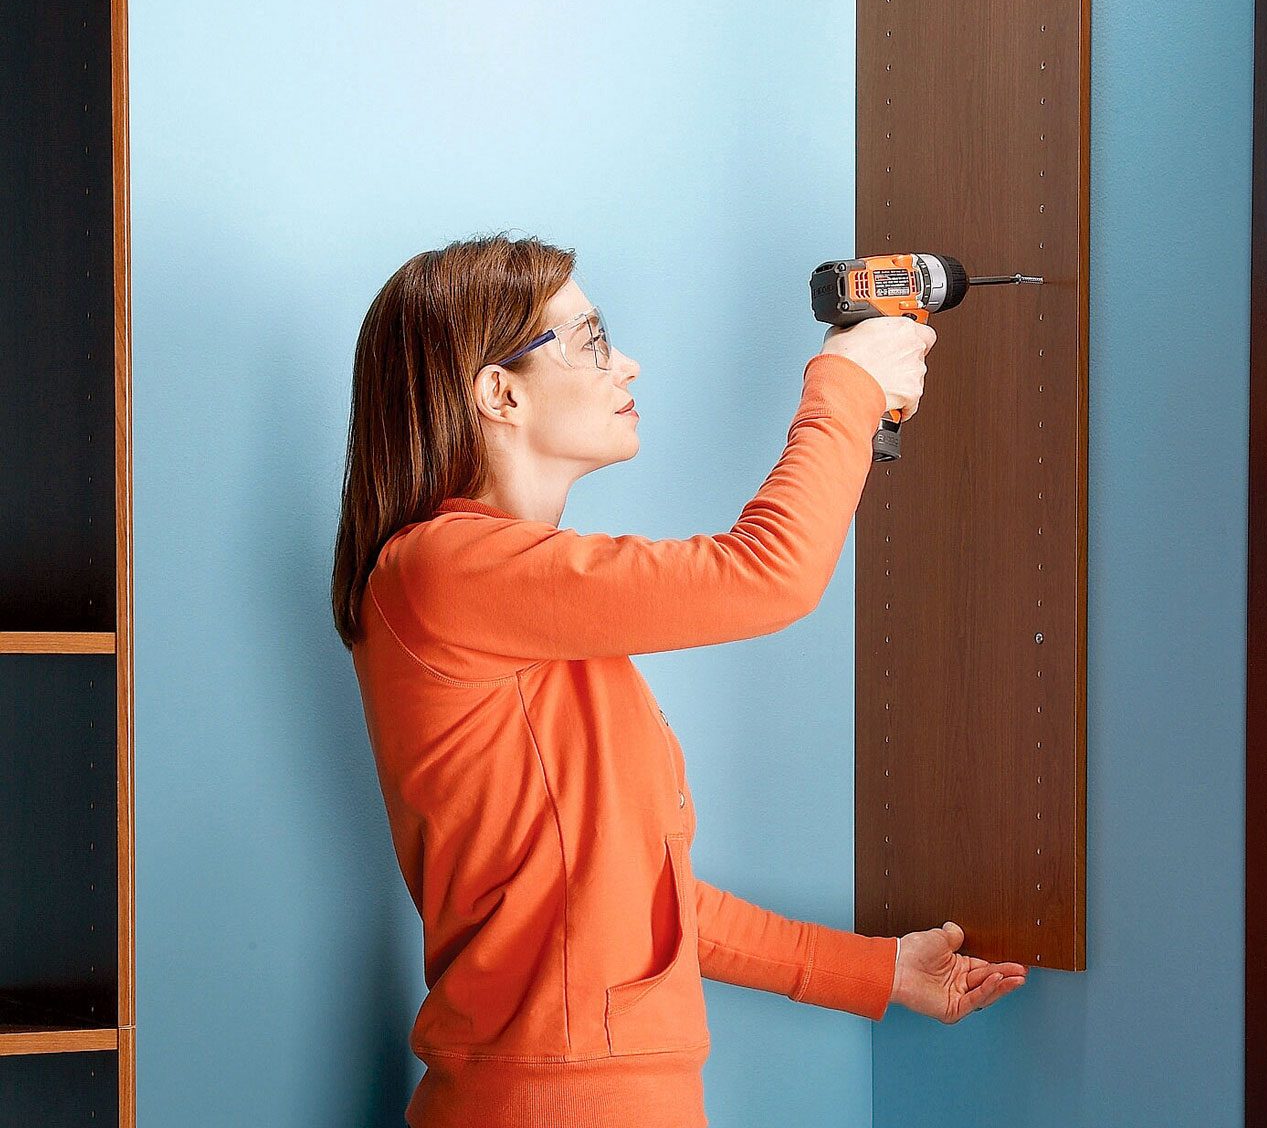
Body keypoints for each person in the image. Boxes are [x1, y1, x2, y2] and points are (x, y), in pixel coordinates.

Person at [331, 232, 1027, 1128]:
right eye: (588, 340)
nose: (626, 363)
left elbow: (638, 897)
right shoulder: (441, 571)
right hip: (558, 1101)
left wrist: (880, 972)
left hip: (600, 1093)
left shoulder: (517, 610)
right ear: (498, 392)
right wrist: (846, 382)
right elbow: (769, 573)